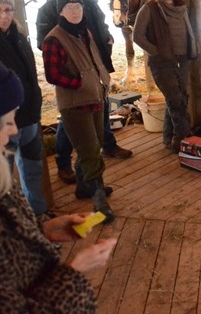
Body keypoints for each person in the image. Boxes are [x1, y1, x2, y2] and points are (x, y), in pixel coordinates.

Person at [0, 62, 117, 314]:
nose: (13, 130)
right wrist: (75, 270)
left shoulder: (3, 182)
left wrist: (45, 232)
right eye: (7, 121)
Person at [36, 0, 132, 185]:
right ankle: (63, 162)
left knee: (102, 109)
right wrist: (74, 68)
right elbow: (44, 42)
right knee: (71, 122)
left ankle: (107, 144)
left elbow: (101, 26)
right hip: (74, 75)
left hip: (97, 67)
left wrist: (107, 39)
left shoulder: (90, 3)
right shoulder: (49, 9)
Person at [42, 0, 115, 222]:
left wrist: (101, 82)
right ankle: (98, 198)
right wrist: (80, 83)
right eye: (69, 8)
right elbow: (52, 75)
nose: (75, 12)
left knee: (97, 142)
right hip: (75, 104)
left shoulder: (85, 32)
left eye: (78, 7)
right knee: (89, 149)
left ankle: (84, 186)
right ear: (61, 11)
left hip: (95, 98)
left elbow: (95, 61)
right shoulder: (54, 39)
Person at [133, 0, 197, 152]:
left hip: (182, 60)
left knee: (180, 97)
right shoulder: (150, 8)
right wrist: (156, 51)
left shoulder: (181, 8)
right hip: (162, 63)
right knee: (176, 100)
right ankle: (182, 138)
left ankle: (168, 138)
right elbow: (137, 35)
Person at [0, 0, 47, 216]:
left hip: (29, 117)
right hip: (5, 123)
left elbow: (31, 75)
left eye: (8, 10)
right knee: (4, 176)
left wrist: (36, 105)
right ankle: (11, 224)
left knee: (32, 168)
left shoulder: (20, 39)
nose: (4, 15)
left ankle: (36, 214)